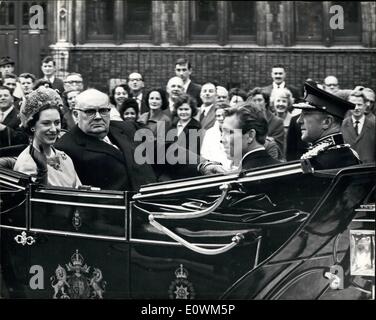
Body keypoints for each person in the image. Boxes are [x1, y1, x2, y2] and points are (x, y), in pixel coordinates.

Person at [55, 89, 156, 191]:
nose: (98, 117)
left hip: (152, 199)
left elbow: (160, 155)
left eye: (103, 111)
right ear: (76, 115)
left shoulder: (128, 128)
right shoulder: (64, 148)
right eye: (90, 112)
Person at [14, 87, 81, 187]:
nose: (54, 129)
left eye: (57, 122)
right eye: (46, 123)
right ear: (32, 126)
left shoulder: (64, 157)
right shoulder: (27, 164)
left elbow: (79, 190)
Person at [293, 81, 361, 171]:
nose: (299, 120)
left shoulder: (318, 163)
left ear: (327, 122)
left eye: (305, 114)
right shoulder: (349, 154)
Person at [221, 104, 280, 170]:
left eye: (229, 132)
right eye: (222, 132)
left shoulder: (243, 176)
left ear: (250, 135)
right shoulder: (283, 169)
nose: (222, 139)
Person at [341, 90, 375, 164]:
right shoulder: (342, 125)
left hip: (368, 170)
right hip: (348, 170)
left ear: (366, 105)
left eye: (359, 104)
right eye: (353, 105)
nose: (356, 108)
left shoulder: (373, 126)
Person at [247, 87, 285, 152]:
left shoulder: (277, 122)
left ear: (266, 102)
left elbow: (278, 146)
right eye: (254, 100)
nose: (256, 103)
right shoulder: (246, 119)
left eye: (259, 100)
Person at [200, 103, 233, 170]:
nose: (221, 118)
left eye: (224, 115)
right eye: (218, 116)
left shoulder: (236, 131)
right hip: (215, 171)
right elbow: (204, 154)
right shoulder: (209, 133)